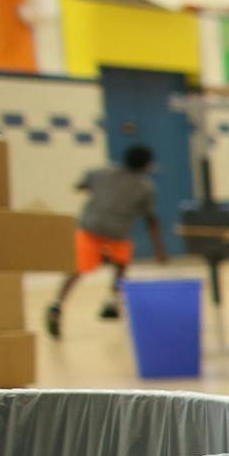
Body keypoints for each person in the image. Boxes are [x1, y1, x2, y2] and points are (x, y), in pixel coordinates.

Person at [47, 143, 171, 339]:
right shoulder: (145, 187)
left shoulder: (102, 173)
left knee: (77, 271)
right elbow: (151, 220)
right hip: (117, 234)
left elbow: (79, 185)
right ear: (147, 165)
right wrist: (160, 250)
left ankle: (57, 305)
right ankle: (112, 302)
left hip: (90, 229)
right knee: (121, 266)